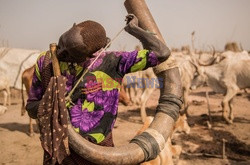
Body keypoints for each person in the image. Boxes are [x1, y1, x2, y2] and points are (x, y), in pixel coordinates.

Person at [26, 14, 171, 164]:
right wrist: (53, 100)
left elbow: (162, 53)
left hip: (99, 154)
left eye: (71, 54)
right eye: (61, 43)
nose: (60, 53)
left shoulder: (114, 62)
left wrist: (135, 30)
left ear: (91, 54)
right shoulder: (46, 62)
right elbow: (31, 108)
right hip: (58, 153)